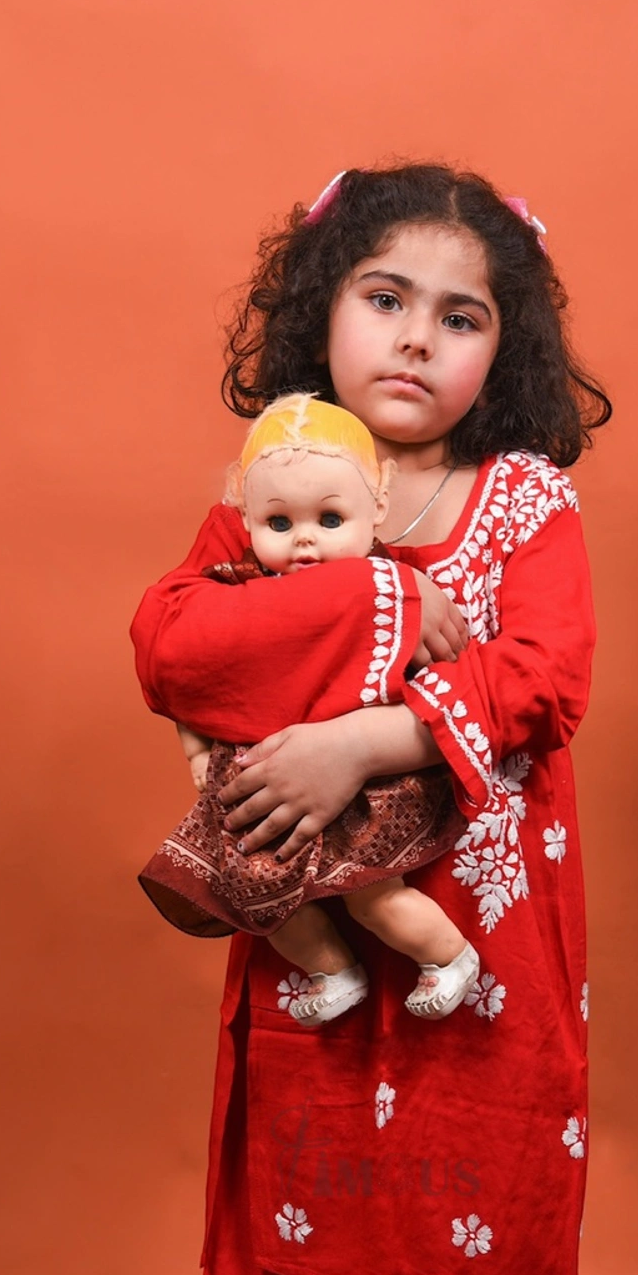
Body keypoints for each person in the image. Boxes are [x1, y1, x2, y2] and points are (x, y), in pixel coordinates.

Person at [130, 162, 611, 1275]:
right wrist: (377, 608)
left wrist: (360, 740)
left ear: (505, 350)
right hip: (316, 957)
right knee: (286, 1254)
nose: (416, 338)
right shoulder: (271, 485)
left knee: (489, 1242)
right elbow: (173, 646)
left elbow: (546, 676)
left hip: (487, 942)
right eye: (384, 298)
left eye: (461, 316)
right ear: (319, 313)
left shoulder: (525, 502)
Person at [139, 391, 480, 1025]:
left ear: (376, 508)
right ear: (245, 516)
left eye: (330, 519)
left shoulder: (392, 590)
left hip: (366, 792)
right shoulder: (239, 590)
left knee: (374, 898)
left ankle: (450, 957)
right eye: (279, 524)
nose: (305, 541)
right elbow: (201, 681)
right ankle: (332, 971)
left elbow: (440, 683)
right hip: (267, 789)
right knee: (257, 897)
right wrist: (195, 751)